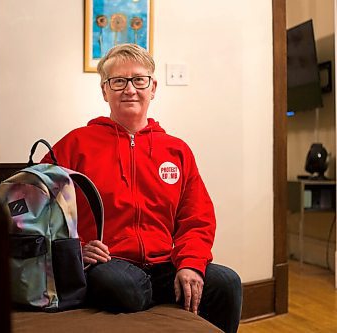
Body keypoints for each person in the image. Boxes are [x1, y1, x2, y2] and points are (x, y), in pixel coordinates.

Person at [41, 43, 242, 333]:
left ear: (153, 87)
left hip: (165, 263)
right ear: (104, 91)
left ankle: (163, 292)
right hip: (110, 263)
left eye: (138, 79)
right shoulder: (76, 144)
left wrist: (191, 264)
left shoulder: (177, 150)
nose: (129, 89)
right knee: (119, 286)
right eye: (118, 81)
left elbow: (197, 218)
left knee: (227, 283)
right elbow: (35, 206)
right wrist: (75, 251)